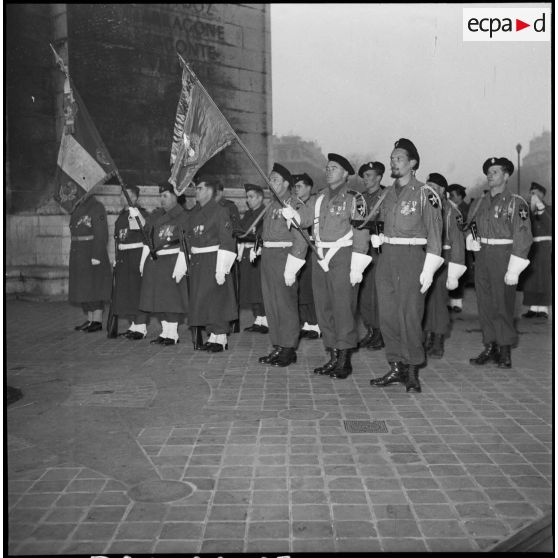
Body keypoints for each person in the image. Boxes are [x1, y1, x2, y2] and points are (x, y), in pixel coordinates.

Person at [281, 154, 371, 379]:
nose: (329, 170)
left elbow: (361, 230)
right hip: (319, 256)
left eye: (334, 168)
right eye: (327, 167)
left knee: (343, 308)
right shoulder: (318, 197)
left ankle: (344, 359)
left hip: (343, 255)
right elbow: (304, 219)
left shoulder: (354, 198)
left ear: (346, 173)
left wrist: (357, 264)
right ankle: (332, 354)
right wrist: (293, 214)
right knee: (323, 308)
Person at [369, 138, 443, 393]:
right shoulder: (386, 194)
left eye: (398, 158)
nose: (393, 162)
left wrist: (429, 268)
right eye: (391, 158)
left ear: (412, 163)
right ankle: (396, 365)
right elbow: (378, 221)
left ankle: (412, 371)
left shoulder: (426, 193)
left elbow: (435, 232)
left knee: (410, 314)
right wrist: (377, 236)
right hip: (387, 256)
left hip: (412, 256)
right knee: (388, 315)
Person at [467, 157, 532, 368]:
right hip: (483, 254)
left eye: (495, 171)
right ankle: (490, 345)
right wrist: (471, 237)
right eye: (488, 172)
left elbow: (523, 235)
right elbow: (471, 225)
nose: (490, 175)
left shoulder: (516, 202)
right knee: (484, 303)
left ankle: (504, 349)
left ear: (506, 176)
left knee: (502, 302)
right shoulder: (479, 203)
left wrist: (515, 267)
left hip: (504, 255)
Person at [258, 163, 307, 367]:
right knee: (271, 304)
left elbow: (301, 237)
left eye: (275, 179)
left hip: (284, 257)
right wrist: (259, 248)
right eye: (270, 179)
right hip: (269, 256)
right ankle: (277, 344)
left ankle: (288, 347)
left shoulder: (293, 204)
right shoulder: (271, 205)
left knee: (285, 304)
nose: (271, 183)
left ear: (287, 183)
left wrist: (292, 265)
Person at [181, 176, 238, 352]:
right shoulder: (195, 213)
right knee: (203, 300)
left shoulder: (220, 211)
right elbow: (188, 238)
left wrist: (222, 268)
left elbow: (226, 240)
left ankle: (220, 337)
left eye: (199, 188)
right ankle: (211, 334)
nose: (196, 192)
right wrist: (183, 262)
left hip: (214, 260)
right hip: (198, 261)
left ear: (209, 191)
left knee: (217, 300)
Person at [138, 182, 188, 345]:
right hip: (158, 260)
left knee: (171, 299)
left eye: (165, 196)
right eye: (160, 196)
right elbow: (148, 233)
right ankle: (165, 331)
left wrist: (182, 262)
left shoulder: (183, 216)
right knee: (159, 299)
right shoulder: (157, 215)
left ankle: (172, 333)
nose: (162, 199)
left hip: (172, 260)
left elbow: (186, 240)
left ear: (176, 197)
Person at [422, 173, 466, 359]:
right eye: (427, 185)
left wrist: (454, 272)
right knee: (422, 302)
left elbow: (457, 242)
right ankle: (424, 337)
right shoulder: (422, 206)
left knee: (438, 303)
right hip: (422, 257)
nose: (428, 189)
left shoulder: (451, 212)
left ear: (442, 190)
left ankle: (437, 340)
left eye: (433, 186)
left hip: (443, 260)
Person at [69, 193, 112, 332]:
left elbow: (101, 233)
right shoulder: (77, 208)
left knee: (95, 286)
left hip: (91, 253)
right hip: (79, 254)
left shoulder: (96, 207)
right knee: (83, 288)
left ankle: (97, 320)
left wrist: (97, 254)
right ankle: (90, 319)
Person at [112, 185, 150, 339]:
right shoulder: (122, 215)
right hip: (123, 256)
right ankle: (133, 324)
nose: (122, 198)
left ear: (135, 198)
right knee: (126, 292)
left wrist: (137, 216)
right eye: (121, 195)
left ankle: (141, 327)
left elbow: (143, 232)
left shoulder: (140, 214)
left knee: (136, 291)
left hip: (135, 255)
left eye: (126, 195)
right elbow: (118, 237)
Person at [357, 161, 386, 351]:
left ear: (379, 177)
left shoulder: (387, 196)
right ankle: (371, 329)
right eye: (364, 176)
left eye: (369, 176)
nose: (366, 180)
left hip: (379, 251)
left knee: (379, 294)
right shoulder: (360, 199)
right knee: (365, 294)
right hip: (361, 249)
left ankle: (381, 332)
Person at [293, 173, 321, 340]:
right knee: (300, 287)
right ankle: (306, 323)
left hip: (312, 249)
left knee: (310, 286)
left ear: (309, 188)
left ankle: (316, 324)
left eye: (300, 186)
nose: (296, 189)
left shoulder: (316, 203)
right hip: (297, 249)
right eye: (295, 186)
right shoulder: (294, 204)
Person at [237, 183, 268, 333]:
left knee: (259, 288)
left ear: (260, 198)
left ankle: (266, 319)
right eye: (247, 197)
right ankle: (258, 319)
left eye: (251, 197)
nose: (248, 200)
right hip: (246, 253)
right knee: (250, 288)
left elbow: (261, 234)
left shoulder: (265, 213)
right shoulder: (248, 214)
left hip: (258, 253)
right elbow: (241, 231)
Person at [521, 182, 551, 319]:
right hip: (531, 246)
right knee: (531, 278)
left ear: (542, 194)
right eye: (531, 192)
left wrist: (541, 208)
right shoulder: (526, 210)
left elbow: (550, 226)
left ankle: (543, 308)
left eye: (536, 192)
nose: (532, 195)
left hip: (545, 246)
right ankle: (533, 307)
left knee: (544, 278)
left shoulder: (549, 209)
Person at [446, 183, 470, 313]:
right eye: (449, 195)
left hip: (463, 246)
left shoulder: (465, 209)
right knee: (451, 272)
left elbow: (469, 226)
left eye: (453, 195)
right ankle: (452, 301)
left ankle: (458, 303)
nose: (450, 197)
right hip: (454, 245)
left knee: (459, 274)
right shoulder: (452, 208)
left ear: (460, 196)